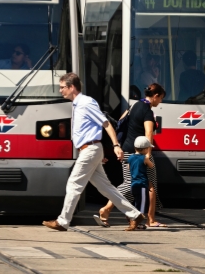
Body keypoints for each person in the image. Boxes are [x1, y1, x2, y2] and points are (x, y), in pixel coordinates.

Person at [43, 73, 143, 232]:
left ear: (72, 87)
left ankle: (63, 221)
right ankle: (135, 215)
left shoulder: (86, 103)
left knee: (74, 184)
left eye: (63, 87)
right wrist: (97, 154)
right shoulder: (76, 104)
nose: (60, 91)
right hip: (90, 150)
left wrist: (116, 145)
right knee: (106, 188)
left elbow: (106, 124)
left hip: (90, 149)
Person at [97, 83, 166, 229]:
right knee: (148, 184)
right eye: (160, 99)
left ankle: (111, 210)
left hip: (127, 148)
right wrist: (147, 154)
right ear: (156, 96)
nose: (160, 102)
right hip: (140, 151)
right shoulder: (147, 111)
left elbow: (122, 121)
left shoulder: (134, 105)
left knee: (130, 183)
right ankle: (150, 219)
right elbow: (148, 133)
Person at [125, 135, 154, 231]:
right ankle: (136, 222)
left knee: (136, 202)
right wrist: (147, 159)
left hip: (133, 184)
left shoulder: (130, 157)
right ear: (145, 149)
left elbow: (128, 168)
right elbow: (151, 166)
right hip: (142, 184)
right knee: (142, 204)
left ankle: (132, 218)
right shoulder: (144, 158)